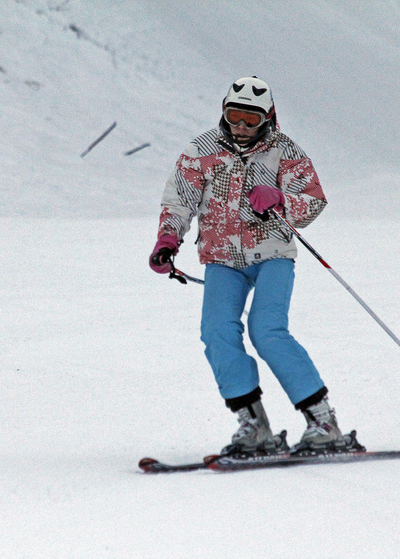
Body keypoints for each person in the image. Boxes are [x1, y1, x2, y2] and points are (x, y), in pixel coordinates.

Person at [150, 76, 347, 454]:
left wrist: (281, 199)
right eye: (234, 116)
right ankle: (253, 425)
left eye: (250, 119)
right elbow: (178, 201)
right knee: (217, 333)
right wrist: (168, 239)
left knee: (267, 330)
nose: (240, 127)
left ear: (267, 118)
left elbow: (314, 200)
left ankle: (323, 421)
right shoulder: (201, 150)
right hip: (223, 259)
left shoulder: (284, 151)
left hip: (271, 254)